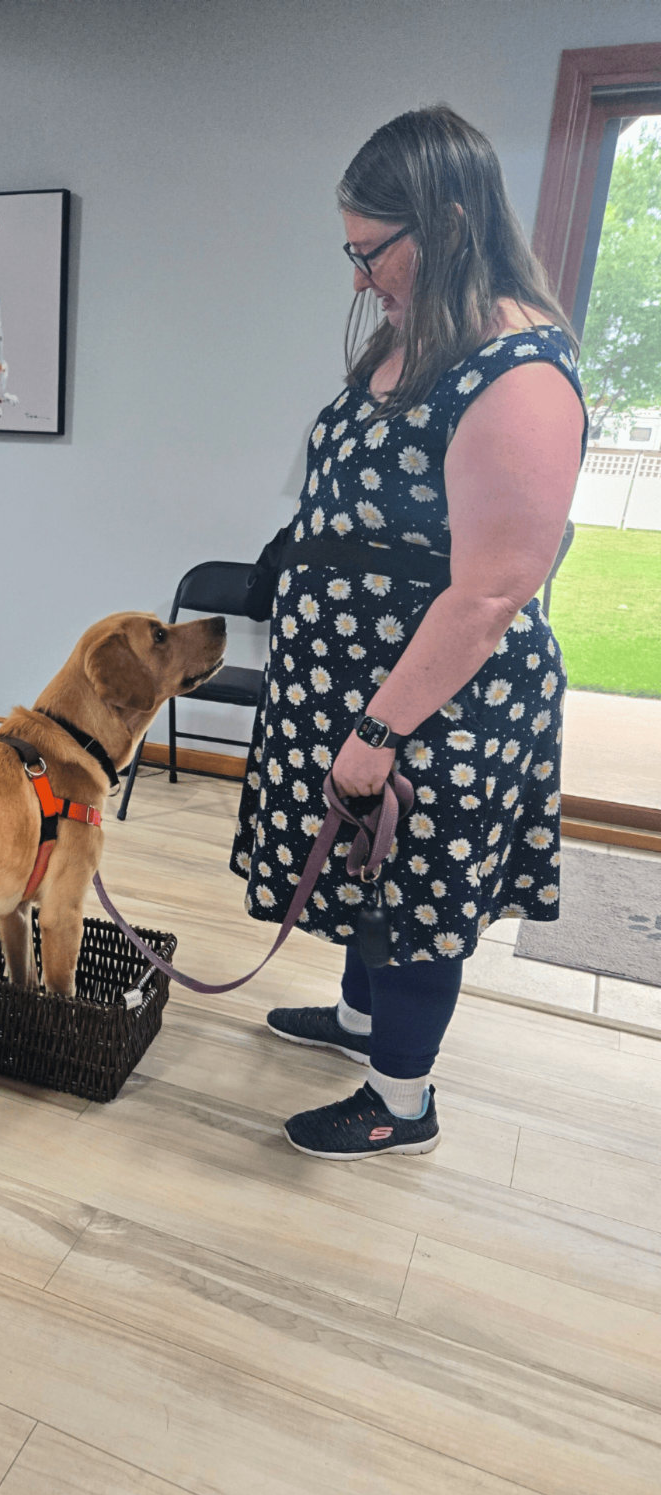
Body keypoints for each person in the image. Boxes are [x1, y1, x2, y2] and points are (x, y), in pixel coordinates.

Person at [231, 107, 586, 1160]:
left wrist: (378, 731)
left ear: (453, 220)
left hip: (439, 702)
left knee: (414, 886)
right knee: (358, 870)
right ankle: (357, 1021)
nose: (357, 278)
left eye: (370, 250)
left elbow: (488, 592)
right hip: (348, 678)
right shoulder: (418, 335)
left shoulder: (516, 371)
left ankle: (402, 1096)